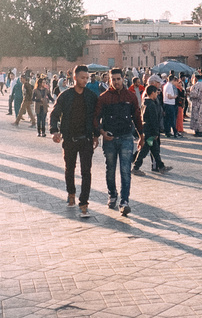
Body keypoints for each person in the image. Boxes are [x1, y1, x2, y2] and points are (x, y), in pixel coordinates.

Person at [50, 65, 100, 215]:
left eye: (87, 77)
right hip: (70, 139)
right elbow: (54, 114)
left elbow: (95, 118)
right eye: (82, 78)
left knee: (86, 172)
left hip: (86, 139)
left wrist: (96, 135)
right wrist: (54, 132)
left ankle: (83, 202)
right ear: (75, 78)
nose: (85, 80)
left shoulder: (91, 96)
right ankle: (71, 193)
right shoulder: (65, 96)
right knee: (69, 169)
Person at [94, 68, 143, 216]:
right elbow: (96, 118)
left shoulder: (131, 96)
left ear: (123, 79)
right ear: (110, 80)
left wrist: (141, 136)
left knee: (125, 170)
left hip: (126, 137)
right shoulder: (104, 97)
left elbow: (137, 117)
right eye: (113, 79)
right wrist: (101, 133)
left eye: (118, 79)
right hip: (110, 138)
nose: (116, 82)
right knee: (110, 169)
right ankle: (112, 194)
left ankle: (124, 201)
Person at [133, 85, 171, 174]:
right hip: (150, 132)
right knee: (145, 149)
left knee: (155, 150)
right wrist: (156, 133)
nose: (157, 95)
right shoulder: (151, 105)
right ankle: (136, 167)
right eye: (156, 93)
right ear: (152, 93)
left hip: (147, 130)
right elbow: (153, 120)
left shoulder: (145, 103)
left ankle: (161, 166)